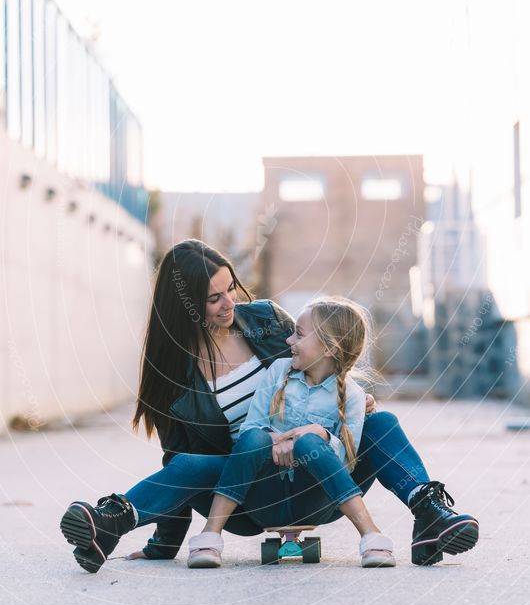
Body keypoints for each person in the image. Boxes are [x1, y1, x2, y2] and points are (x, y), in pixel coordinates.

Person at [60, 240, 479, 573]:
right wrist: (164, 543)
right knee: (188, 465)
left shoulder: (264, 320)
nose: (229, 303)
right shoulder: (170, 373)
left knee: (382, 422)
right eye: (213, 298)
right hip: (244, 493)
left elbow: (320, 358)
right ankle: (111, 523)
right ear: (183, 306)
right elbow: (178, 462)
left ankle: (430, 514)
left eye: (231, 288)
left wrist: (347, 400)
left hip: (319, 476)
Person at [188, 297, 395, 568]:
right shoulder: (277, 371)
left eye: (298, 334)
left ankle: (371, 536)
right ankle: (210, 537)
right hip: (266, 487)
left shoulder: (353, 396)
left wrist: (318, 435)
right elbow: (251, 429)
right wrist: (283, 440)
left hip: (315, 493)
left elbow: (345, 462)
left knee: (310, 441)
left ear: (329, 349)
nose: (288, 341)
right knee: (253, 439)